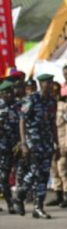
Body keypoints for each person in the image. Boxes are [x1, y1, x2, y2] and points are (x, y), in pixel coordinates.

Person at [18, 73, 58, 218]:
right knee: (35, 172)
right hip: (33, 141)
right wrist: (23, 143)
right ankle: (21, 193)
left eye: (50, 82)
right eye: (46, 83)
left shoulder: (52, 101)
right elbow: (22, 121)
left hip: (46, 142)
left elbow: (53, 123)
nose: (49, 85)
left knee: (44, 174)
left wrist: (56, 142)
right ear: (40, 84)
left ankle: (38, 207)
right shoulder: (31, 99)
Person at [49, 85, 67, 209]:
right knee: (53, 169)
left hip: (62, 142)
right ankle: (58, 194)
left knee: (62, 169)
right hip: (50, 143)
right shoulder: (47, 107)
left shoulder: (65, 107)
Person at [0, 80, 21, 213]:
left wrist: (21, 142)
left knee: (22, 176)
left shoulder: (19, 106)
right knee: (3, 177)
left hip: (19, 145)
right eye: (4, 93)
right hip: (3, 147)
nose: (7, 95)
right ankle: (10, 203)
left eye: (9, 92)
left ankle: (19, 201)